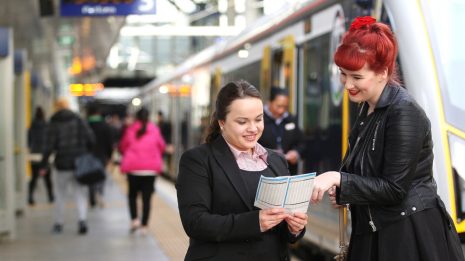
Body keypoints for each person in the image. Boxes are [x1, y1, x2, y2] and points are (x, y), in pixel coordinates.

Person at [311, 16, 464, 261]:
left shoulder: (404, 111)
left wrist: (338, 178)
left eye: (357, 77)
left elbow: (394, 188)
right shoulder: (368, 107)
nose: (347, 84)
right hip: (379, 230)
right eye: (343, 74)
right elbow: (369, 174)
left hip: (406, 235)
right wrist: (344, 191)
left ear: (382, 73)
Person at [176, 80, 308, 261]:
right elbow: (195, 223)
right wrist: (256, 222)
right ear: (222, 122)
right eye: (242, 121)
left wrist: (295, 228)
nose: (253, 128)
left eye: (259, 119)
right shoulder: (197, 160)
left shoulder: (276, 160)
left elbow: (283, 227)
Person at [40, 97, 95, 235]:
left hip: (62, 164)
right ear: (68, 106)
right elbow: (91, 139)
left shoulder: (54, 121)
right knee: (80, 193)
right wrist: (84, 152)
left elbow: (49, 146)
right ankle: (82, 221)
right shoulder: (78, 119)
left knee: (60, 194)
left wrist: (43, 163)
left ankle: (59, 223)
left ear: (56, 107)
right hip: (79, 164)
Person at [119, 108, 166, 234]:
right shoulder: (155, 129)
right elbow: (162, 146)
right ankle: (144, 225)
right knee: (147, 198)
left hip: (133, 168)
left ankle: (134, 220)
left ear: (136, 117)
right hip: (150, 169)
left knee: (132, 195)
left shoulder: (130, 129)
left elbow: (122, 146)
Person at [258, 87, 305, 175]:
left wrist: (296, 153)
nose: (281, 110)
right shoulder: (259, 119)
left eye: (285, 107)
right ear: (269, 102)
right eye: (279, 106)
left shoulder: (291, 119)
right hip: (266, 171)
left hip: (289, 171)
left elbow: (301, 142)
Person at [86, 103, 114, 208]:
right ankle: (100, 195)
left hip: (88, 155)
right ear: (98, 113)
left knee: (90, 177)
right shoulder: (105, 125)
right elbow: (109, 142)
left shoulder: (85, 124)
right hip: (102, 155)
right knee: (101, 177)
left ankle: (91, 198)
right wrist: (109, 155)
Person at [27, 106, 54, 205]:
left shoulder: (32, 125)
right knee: (47, 178)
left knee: (34, 177)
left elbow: (29, 139)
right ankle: (50, 196)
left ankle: (30, 196)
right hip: (45, 155)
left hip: (34, 155)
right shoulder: (47, 125)